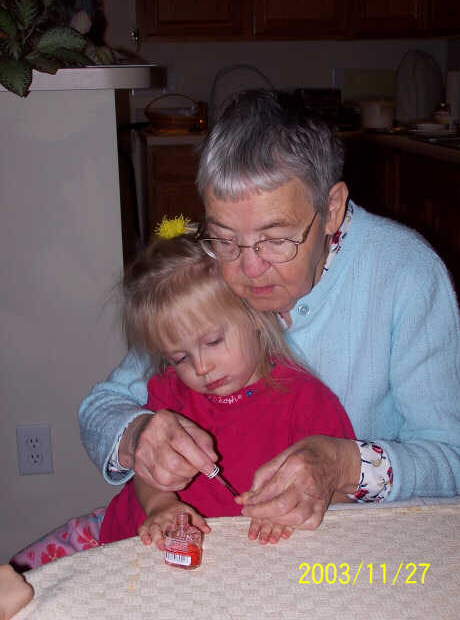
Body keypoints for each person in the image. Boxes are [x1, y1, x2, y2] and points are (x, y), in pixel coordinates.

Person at [78, 89, 460, 532]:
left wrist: (344, 465)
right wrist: (138, 437)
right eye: (226, 238)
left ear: (331, 210)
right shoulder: (206, 269)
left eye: (276, 238)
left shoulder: (405, 273)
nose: (247, 269)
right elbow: (102, 407)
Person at [99, 230, 354, 547]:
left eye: (213, 341)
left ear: (255, 316)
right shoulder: (170, 393)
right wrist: (160, 506)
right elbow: (149, 472)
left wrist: (295, 510)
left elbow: (341, 495)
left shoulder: (308, 401)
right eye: (180, 357)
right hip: (158, 551)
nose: (201, 367)